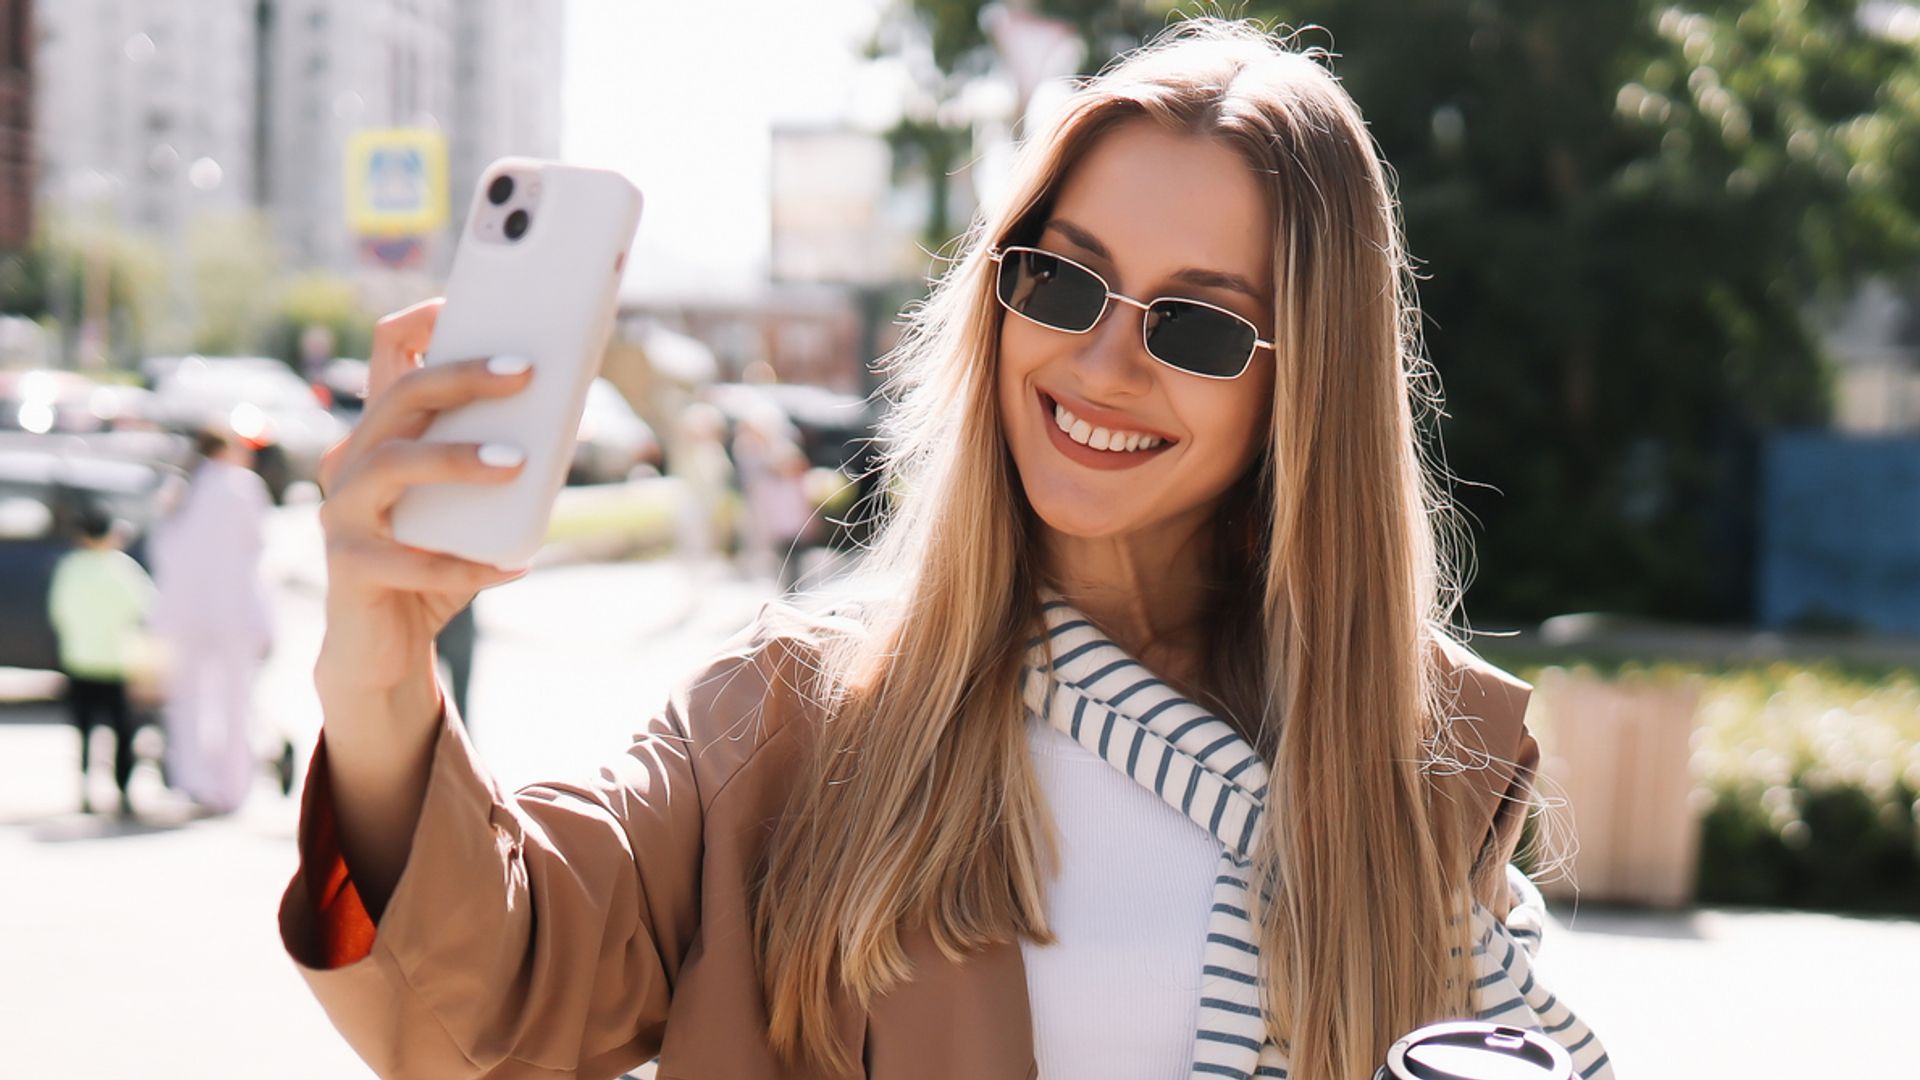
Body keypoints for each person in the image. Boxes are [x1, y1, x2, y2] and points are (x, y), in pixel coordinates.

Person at [278, 19, 1612, 1080]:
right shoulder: (787, 724)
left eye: (1197, 329)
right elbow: (488, 1006)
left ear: (1305, 391)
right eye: (1064, 278)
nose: (1098, 365)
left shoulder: (1418, 758)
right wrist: (380, 678)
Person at [150, 427, 274, 814]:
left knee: (189, 698)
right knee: (235, 700)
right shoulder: (240, 487)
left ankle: (193, 778)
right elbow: (257, 548)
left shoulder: (179, 490)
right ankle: (231, 784)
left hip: (184, 611)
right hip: (232, 608)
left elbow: (162, 553)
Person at [47, 504, 156, 817]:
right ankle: (122, 790)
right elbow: (147, 608)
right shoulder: (122, 568)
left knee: (84, 730)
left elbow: (59, 613)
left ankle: (84, 789)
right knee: (122, 732)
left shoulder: (69, 567)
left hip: (79, 660)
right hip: (117, 663)